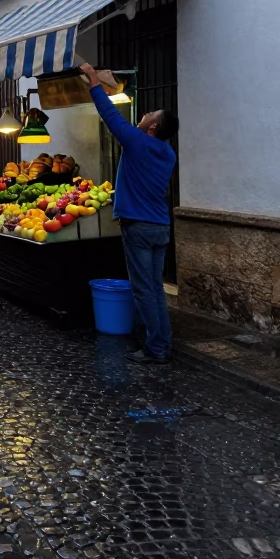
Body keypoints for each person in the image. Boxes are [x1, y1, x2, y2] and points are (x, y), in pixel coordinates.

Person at [80, 63, 179, 364]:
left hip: (139, 228)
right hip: (160, 226)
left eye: (151, 114)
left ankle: (156, 348)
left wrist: (95, 82)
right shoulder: (166, 152)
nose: (146, 113)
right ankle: (161, 341)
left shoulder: (138, 143)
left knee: (144, 290)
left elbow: (111, 118)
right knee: (155, 289)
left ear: (151, 128)